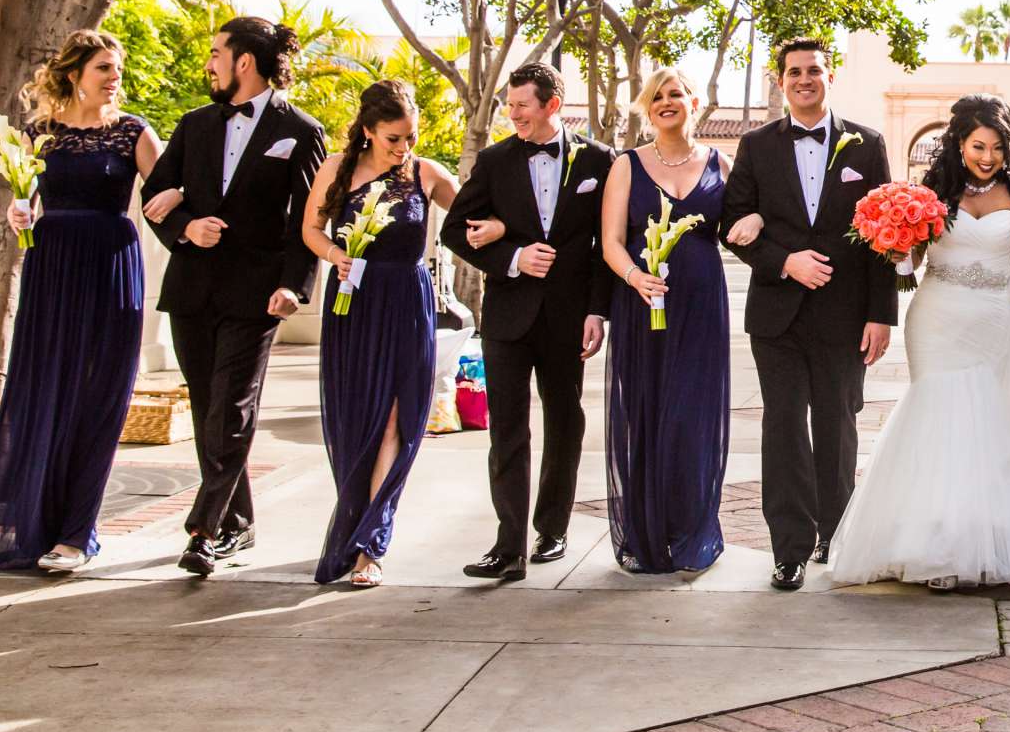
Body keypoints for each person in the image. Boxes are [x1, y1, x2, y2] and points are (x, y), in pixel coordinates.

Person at [827, 95, 1010, 592]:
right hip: (938, 316)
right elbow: (906, 251)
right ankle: (938, 545)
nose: (988, 156)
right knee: (941, 418)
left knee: (994, 425)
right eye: (979, 146)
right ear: (959, 144)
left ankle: (987, 541)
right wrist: (898, 255)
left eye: (996, 147)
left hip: (998, 316)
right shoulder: (932, 191)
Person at [140, 16, 326, 578]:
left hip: (257, 294)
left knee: (233, 407)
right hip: (193, 288)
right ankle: (239, 523)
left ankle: (204, 527)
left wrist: (295, 285)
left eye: (217, 52)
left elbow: (310, 215)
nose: (210, 62)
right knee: (208, 409)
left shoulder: (300, 128)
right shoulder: (193, 124)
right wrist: (185, 227)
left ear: (244, 61)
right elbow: (156, 192)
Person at [0, 31, 164, 573]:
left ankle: (77, 535)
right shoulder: (40, 133)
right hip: (51, 268)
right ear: (75, 74)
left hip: (110, 266)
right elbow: (26, 199)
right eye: (105, 68)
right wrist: (20, 214)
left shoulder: (135, 132)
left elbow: (169, 195)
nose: (114, 78)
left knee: (98, 397)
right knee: (44, 390)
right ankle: (35, 525)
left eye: (118, 69)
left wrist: (187, 211)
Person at [720, 37, 896, 591]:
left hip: (845, 317)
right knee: (784, 427)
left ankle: (836, 535)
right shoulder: (756, 146)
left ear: (829, 76)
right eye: (794, 72)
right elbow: (734, 224)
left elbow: (884, 234)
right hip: (777, 317)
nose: (804, 79)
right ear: (781, 81)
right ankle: (790, 549)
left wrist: (881, 314)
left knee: (838, 426)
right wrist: (783, 261)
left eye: (813, 70)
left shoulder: (866, 144)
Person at [440, 62, 615, 583]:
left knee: (565, 423)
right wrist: (512, 255)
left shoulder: (599, 160)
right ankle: (508, 544)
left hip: (568, 318)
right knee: (508, 431)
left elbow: (606, 245)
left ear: (552, 105)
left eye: (521, 105)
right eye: (509, 105)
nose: (512, 114)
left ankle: (554, 528)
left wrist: (597, 310)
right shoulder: (494, 161)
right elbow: (453, 229)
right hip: (508, 317)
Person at [293, 79, 462, 588]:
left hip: (408, 304)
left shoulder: (426, 174)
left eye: (410, 137)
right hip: (354, 306)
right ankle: (354, 520)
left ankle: (371, 544)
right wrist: (334, 256)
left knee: (396, 420)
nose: (403, 148)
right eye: (393, 138)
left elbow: (476, 212)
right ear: (368, 132)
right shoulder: (336, 171)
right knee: (355, 421)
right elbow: (311, 230)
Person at [598, 66, 731, 574]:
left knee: (692, 417)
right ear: (647, 108)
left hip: (700, 307)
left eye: (676, 94)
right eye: (658, 97)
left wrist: (756, 219)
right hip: (642, 304)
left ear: (693, 102)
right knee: (648, 414)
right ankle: (647, 532)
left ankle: (692, 531)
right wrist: (635, 277)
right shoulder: (627, 165)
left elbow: (742, 218)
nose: (667, 102)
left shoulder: (721, 162)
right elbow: (609, 241)